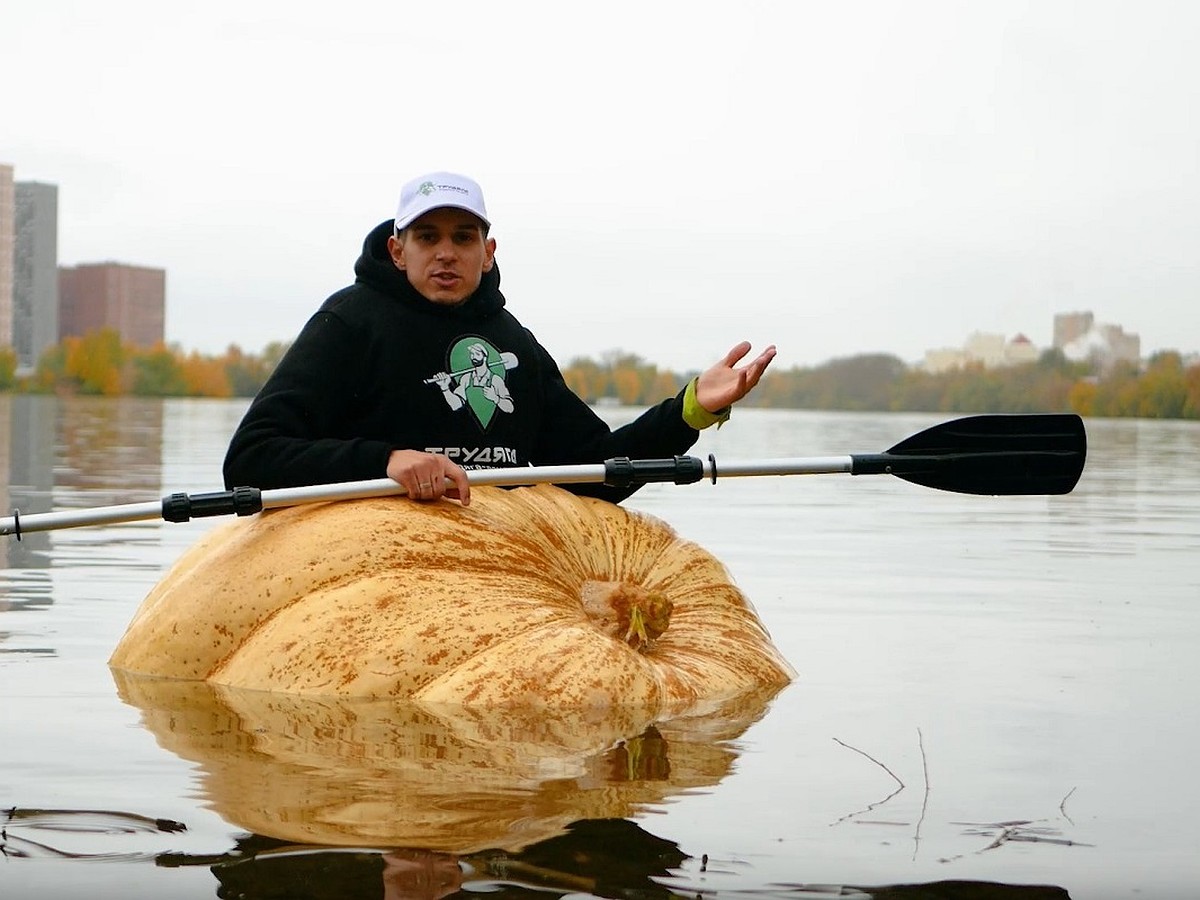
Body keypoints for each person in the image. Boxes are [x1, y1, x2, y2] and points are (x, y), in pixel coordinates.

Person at [222, 171, 775, 506]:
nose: (445, 252)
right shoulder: (347, 323)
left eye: (464, 237)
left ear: (488, 253)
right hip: (370, 563)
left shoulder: (516, 344)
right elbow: (251, 459)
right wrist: (384, 460)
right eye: (427, 236)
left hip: (499, 568)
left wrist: (689, 411)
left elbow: (593, 474)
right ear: (398, 250)